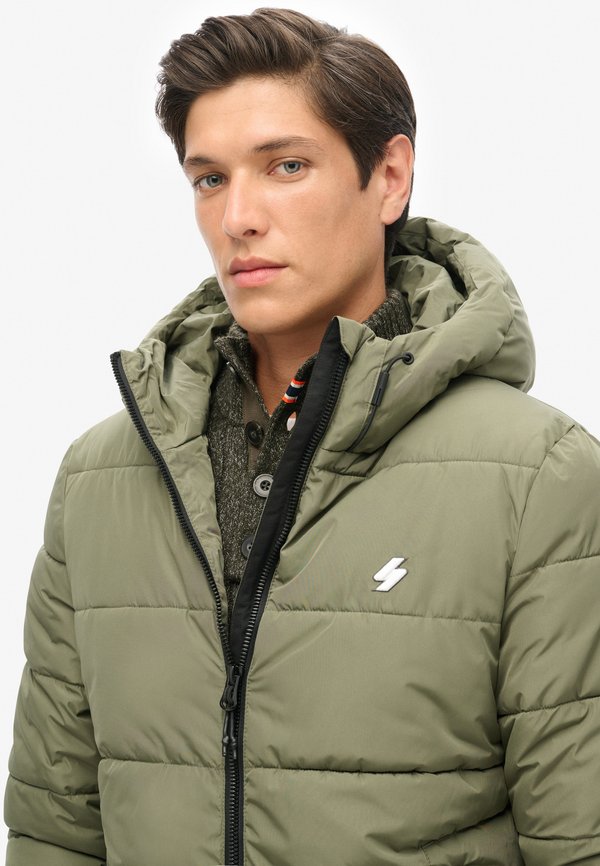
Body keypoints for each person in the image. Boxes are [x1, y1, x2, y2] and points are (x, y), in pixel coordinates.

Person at [4, 7, 600, 865]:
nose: (238, 217)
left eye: (286, 166)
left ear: (389, 177)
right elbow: (54, 833)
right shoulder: (99, 479)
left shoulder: (538, 477)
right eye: (210, 179)